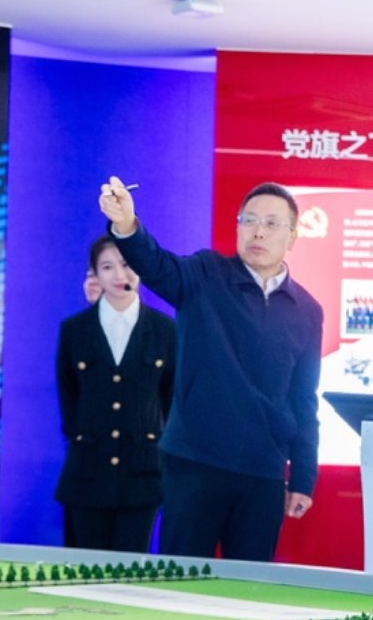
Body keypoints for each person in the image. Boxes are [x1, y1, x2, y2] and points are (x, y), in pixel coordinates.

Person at [99, 178, 321, 561]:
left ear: (293, 236)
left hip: (263, 472)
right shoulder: (206, 273)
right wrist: (126, 225)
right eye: (249, 220)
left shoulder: (308, 310)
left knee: (249, 586)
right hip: (194, 464)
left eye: (271, 223)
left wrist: (303, 475)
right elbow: (156, 264)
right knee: (179, 579)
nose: (258, 231)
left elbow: (303, 399)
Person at [55, 235, 177, 553]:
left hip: (143, 473)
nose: (119, 274)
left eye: (126, 263)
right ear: (94, 273)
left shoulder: (165, 330)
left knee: (130, 568)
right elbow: (68, 396)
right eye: (107, 267)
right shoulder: (75, 330)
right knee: (86, 568)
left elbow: (171, 399)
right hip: (87, 470)